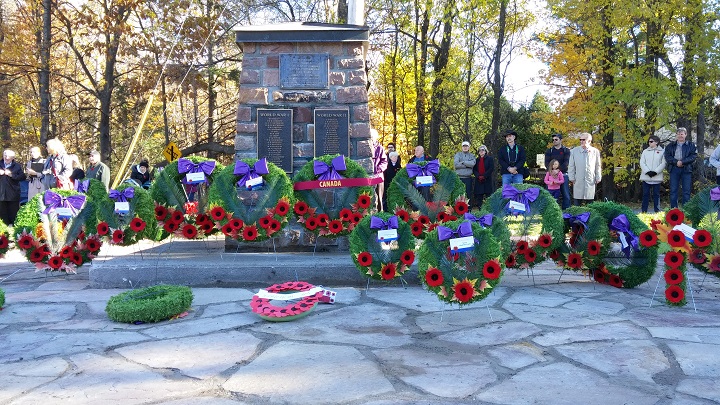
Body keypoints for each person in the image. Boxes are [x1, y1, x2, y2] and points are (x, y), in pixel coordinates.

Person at [664, 127, 697, 208]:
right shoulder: (670, 145)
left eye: (681, 134)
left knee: (686, 191)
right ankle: (674, 210)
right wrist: (676, 162)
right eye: (678, 134)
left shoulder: (691, 145)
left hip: (686, 169)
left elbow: (693, 156)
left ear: (685, 135)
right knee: (673, 191)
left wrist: (683, 162)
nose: (680, 136)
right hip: (674, 169)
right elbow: (667, 156)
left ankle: (685, 211)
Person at [568, 133, 602, 206]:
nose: (581, 141)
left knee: (590, 202)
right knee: (577, 200)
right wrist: (571, 177)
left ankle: (589, 216)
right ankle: (577, 216)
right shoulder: (574, 151)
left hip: (590, 179)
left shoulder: (595, 151)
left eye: (583, 140)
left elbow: (598, 165)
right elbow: (571, 166)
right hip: (578, 179)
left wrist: (598, 177)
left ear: (589, 141)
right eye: (580, 139)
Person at [639, 135, 666, 213]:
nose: (649, 143)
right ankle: (644, 211)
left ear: (656, 142)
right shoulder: (645, 151)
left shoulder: (662, 152)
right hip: (646, 177)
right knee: (645, 194)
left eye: (651, 141)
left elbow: (663, 163)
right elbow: (642, 162)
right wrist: (647, 171)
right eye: (649, 141)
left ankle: (657, 211)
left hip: (656, 177)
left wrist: (655, 172)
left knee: (656, 195)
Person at [544, 133, 572, 209]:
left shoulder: (566, 150)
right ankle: (550, 211)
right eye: (553, 140)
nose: (554, 141)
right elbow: (546, 163)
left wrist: (558, 170)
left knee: (566, 195)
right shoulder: (549, 151)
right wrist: (552, 171)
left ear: (561, 140)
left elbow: (566, 163)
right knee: (549, 195)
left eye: (556, 139)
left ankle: (566, 211)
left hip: (563, 175)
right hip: (551, 175)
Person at [0, 150, 26, 225]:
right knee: (2, 214)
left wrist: (11, 175)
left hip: (13, 194)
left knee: (13, 214)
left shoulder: (17, 166)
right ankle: (3, 232)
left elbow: (22, 177)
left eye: (8, 156)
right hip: (1, 193)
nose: (6, 157)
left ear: (13, 158)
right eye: (5, 155)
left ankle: (13, 231)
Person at [370, 129, 388, 212]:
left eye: (371, 136)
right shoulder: (365, 147)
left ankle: (380, 214)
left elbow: (384, 162)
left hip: (378, 176)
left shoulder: (380, 148)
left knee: (379, 197)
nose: (370, 138)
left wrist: (378, 170)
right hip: (368, 176)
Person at [472, 145, 494, 209]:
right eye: (480, 150)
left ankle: (489, 210)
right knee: (479, 196)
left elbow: (491, 168)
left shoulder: (490, 159)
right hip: (478, 180)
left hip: (487, 179)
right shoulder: (476, 160)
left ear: (485, 151)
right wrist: (478, 176)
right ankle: (480, 210)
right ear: (478, 152)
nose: (481, 151)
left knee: (488, 196)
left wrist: (484, 176)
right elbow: (474, 169)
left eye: (483, 150)